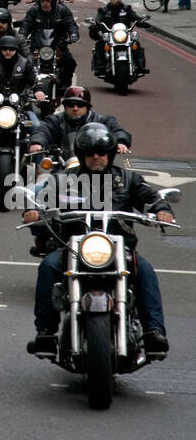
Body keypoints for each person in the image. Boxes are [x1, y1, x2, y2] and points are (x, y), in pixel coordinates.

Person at [22, 124, 173, 356]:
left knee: (144, 271)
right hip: (72, 247)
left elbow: (150, 197)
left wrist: (162, 209)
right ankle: (46, 333)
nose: (96, 157)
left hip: (118, 247)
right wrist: (33, 210)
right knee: (48, 267)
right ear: (81, 155)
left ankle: (154, 332)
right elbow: (42, 199)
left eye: (101, 153)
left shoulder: (128, 178)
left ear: (110, 154)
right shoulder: (63, 178)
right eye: (90, 153)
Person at [0, 34, 46, 172]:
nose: (8, 51)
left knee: (37, 127)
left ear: (16, 50)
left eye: (11, 49)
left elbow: (35, 81)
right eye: (4, 48)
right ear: (0, 49)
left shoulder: (25, 63)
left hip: (22, 109)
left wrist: (39, 91)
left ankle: (37, 165)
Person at [28, 85, 131, 160]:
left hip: (94, 165)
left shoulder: (102, 120)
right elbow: (42, 131)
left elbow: (117, 130)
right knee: (38, 188)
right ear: (65, 106)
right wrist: (37, 142)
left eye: (80, 105)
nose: (75, 108)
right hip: (62, 167)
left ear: (87, 107)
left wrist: (121, 142)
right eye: (71, 105)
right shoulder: (55, 120)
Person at [19, 0, 79, 86]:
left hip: (58, 45)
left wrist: (73, 35)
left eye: (47, 1)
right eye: (42, 1)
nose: (45, 3)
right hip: (37, 45)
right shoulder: (34, 10)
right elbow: (26, 24)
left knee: (70, 62)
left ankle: (65, 86)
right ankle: (26, 89)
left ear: (53, 1)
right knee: (25, 63)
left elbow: (71, 24)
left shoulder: (62, 10)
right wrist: (22, 35)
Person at [89, 0, 148, 75]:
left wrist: (141, 21)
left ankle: (140, 67)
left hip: (125, 35)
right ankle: (100, 67)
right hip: (110, 34)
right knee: (100, 43)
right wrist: (95, 24)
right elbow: (98, 19)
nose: (118, 0)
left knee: (135, 44)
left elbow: (135, 18)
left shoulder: (126, 9)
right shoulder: (103, 10)